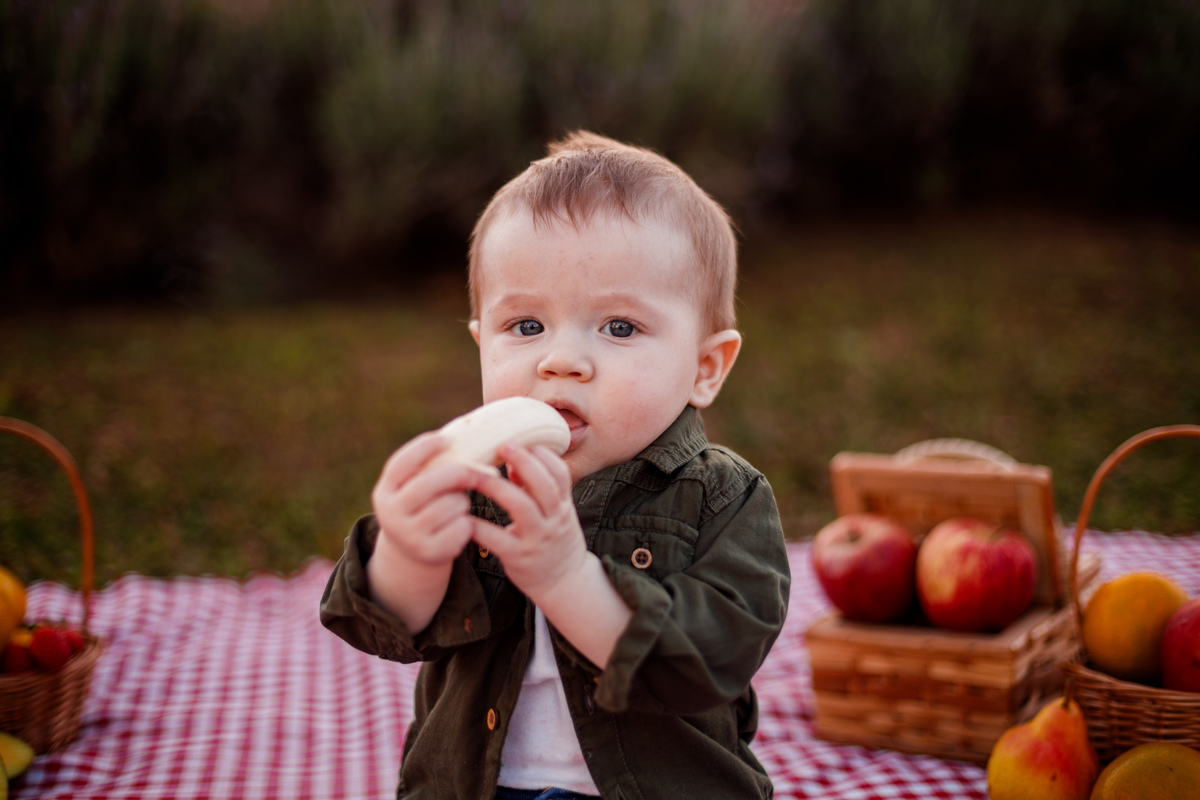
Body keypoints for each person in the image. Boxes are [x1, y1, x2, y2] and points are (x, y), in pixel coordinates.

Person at [320, 131, 791, 800]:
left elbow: (709, 659)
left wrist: (568, 577)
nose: (560, 360)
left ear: (704, 367)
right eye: (527, 327)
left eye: (619, 327)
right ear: (482, 342)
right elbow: (388, 624)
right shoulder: (475, 484)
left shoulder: (723, 499)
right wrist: (408, 550)